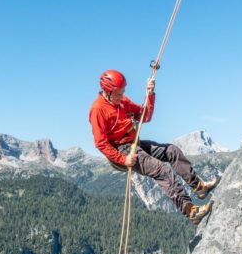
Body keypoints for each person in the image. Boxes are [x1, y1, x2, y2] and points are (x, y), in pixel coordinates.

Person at [88, 69, 219, 225]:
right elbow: (101, 143)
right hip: (122, 150)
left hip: (134, 143)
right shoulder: (98, 109)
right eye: (118, 93)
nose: (122, 95)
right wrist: (123, 159)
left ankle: (199, 187)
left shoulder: (123, 101)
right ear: (107, 91)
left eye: (123, 91)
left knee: (172, 151)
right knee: (161, 170)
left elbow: (146, 116)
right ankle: (190, 211)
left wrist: (150, 94)